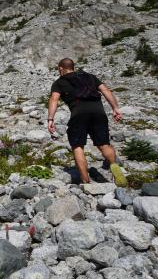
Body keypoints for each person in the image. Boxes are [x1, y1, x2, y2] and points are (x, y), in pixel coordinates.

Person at [47, 58, 128, 186]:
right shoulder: (90, 76)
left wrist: (50, 119)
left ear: (61, 69)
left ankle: (86, 182)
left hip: (79, 112)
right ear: (73, 67)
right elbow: (106, 90)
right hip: (98, 111)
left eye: (59, 70)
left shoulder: (59, 82)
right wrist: (115, 108)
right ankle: (114, 165)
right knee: (104, 144)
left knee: (77, 146)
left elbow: (54, 99)